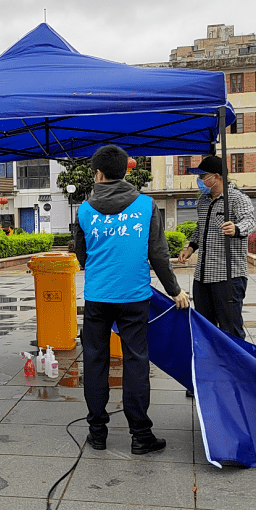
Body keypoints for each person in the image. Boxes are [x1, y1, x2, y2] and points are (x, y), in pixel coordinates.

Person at [73, 145, 190, 455]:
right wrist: (175, 290)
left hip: (97, 297)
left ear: (97, 173)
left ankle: (97, 432)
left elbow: (81, 255)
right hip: (135, 297)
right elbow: (159, 254)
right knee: (135, 361)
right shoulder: (146, 205)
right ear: (126, 170)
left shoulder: (84, 210)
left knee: (95, 361)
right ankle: (141, 435)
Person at [178, 154, 255, 340]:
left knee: (230, 328)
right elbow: (201, 227)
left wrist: (236, 229)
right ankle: (211, 365)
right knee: (205, 326)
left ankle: (236, 365)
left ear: (217, 176)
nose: (200, 180)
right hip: (203, 275)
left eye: (203, 176)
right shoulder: (203, 201)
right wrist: (190, 248)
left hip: (228, 275)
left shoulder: (237, 198)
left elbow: (250, 222)